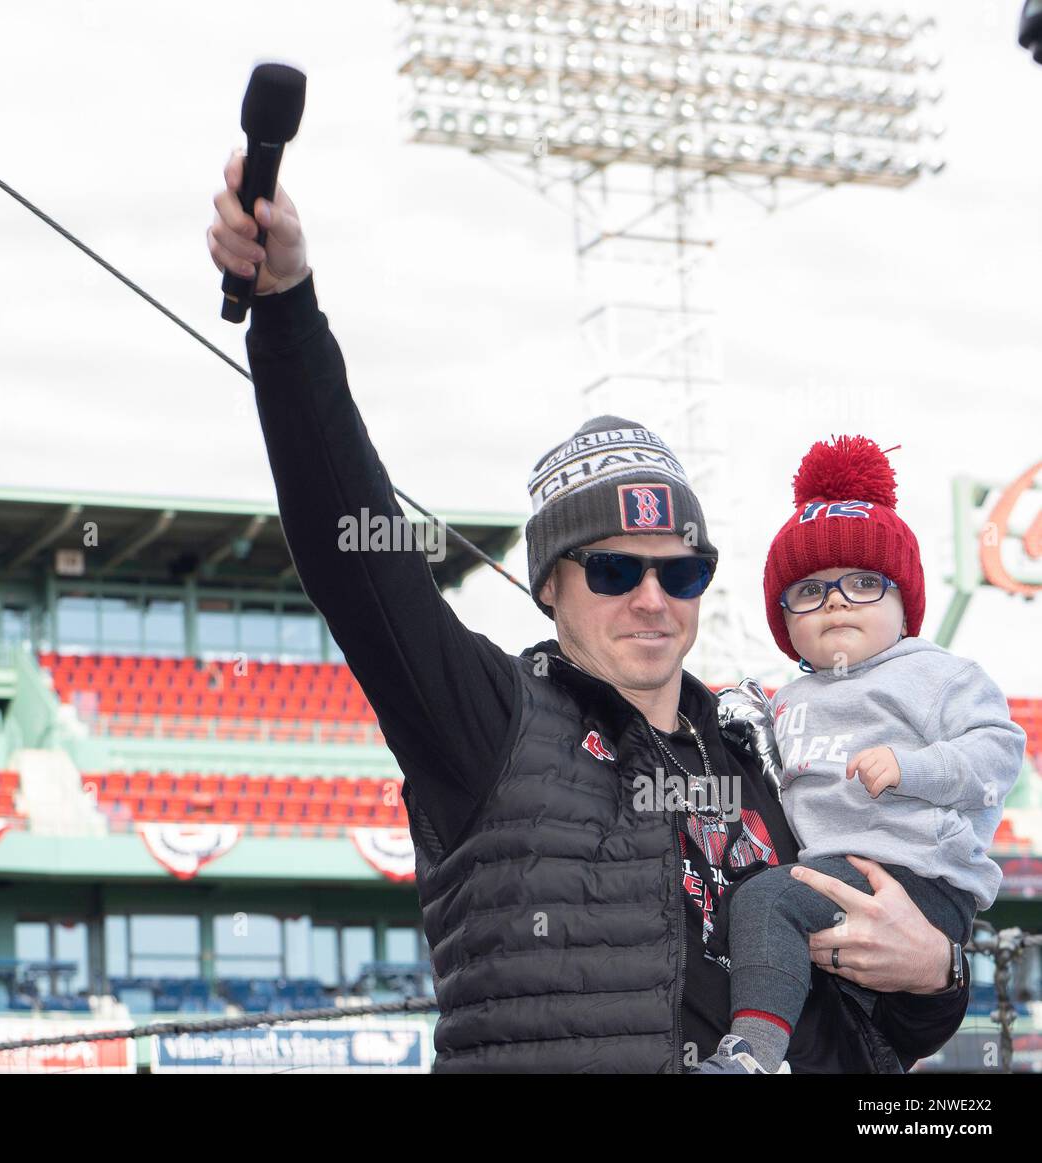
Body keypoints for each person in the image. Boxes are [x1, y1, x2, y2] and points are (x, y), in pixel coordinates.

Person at [206, 148, 970, 1072]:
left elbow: (885, 1019)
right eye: (614, 569)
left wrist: (940, 971)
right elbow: (351, 548)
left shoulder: (759, 744)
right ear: (550, 583)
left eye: (680, 573)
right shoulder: (487, 719)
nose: (652, 600)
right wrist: (287, 307)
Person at [694, 436, 1025, 1074]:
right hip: (835, 883)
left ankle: (754, 1058)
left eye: (863, 583)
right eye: (810, 591)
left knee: (766, 901)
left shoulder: (936, 674)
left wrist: (915, 768)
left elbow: (999, 753)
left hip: (919, 881)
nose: (837, 600)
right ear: (785, 622)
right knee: (767, 905)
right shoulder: (785, 699)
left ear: (905, 605)